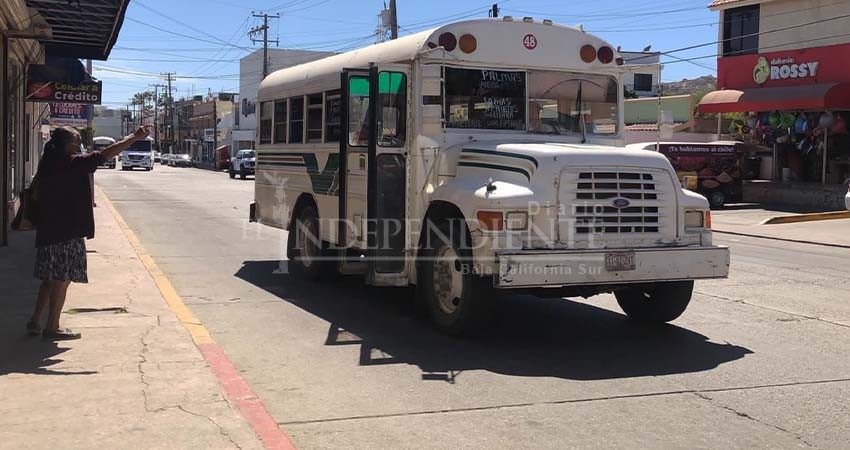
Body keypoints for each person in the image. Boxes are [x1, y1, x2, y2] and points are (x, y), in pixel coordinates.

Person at [27, 125, 151, 340]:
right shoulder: (71, 164)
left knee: (49, 278)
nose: (79, 146)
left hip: (48, 231)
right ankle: (52, 327)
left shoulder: (48, 162)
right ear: (67, 145)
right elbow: (104, 155)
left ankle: (35, 320)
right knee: (61, 280)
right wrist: (134, 137)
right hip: (66, 232)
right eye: (77, 142)